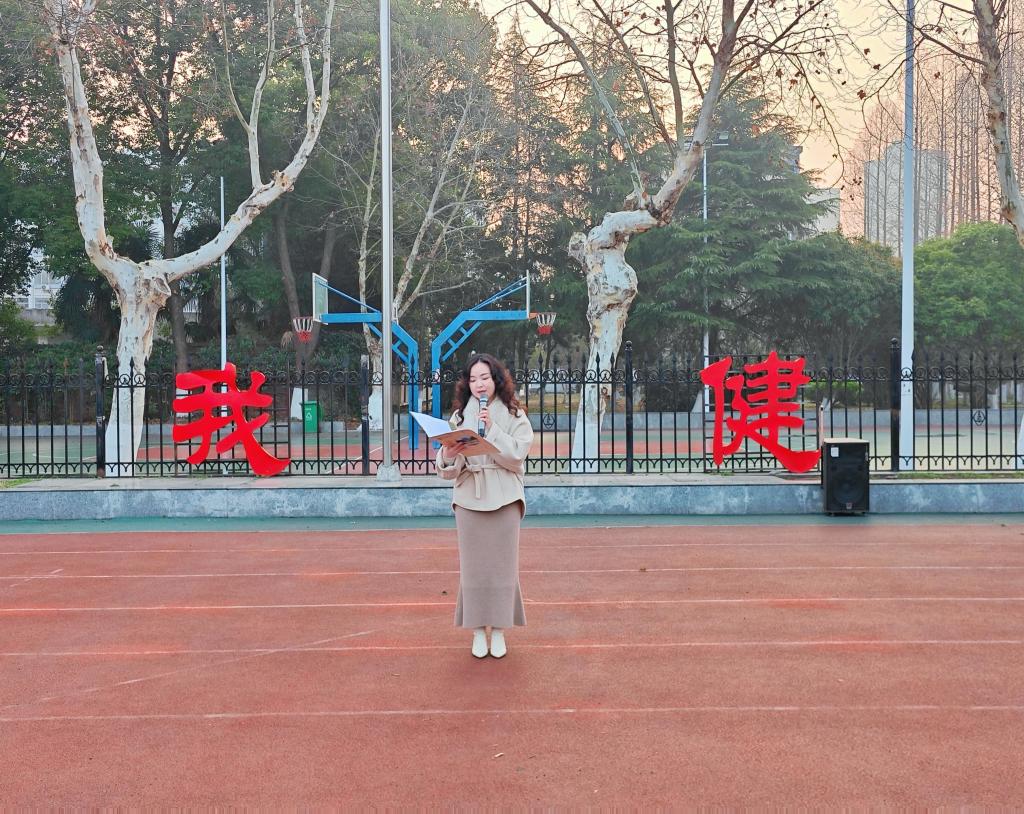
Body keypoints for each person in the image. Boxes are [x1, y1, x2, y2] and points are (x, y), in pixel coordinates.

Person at [435, 353, 534, 659]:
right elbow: (448, 469)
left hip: (505, 497)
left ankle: (500, 630)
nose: (479, 384)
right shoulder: (459, 417)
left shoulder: (515, 415)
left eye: (485, 378)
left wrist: (492, 429)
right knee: (474, 569)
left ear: (496, 380)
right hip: (469, 498)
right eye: (473, 379)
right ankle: (478, 630)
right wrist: (448, 455)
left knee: (503, 568)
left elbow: (516, 456)